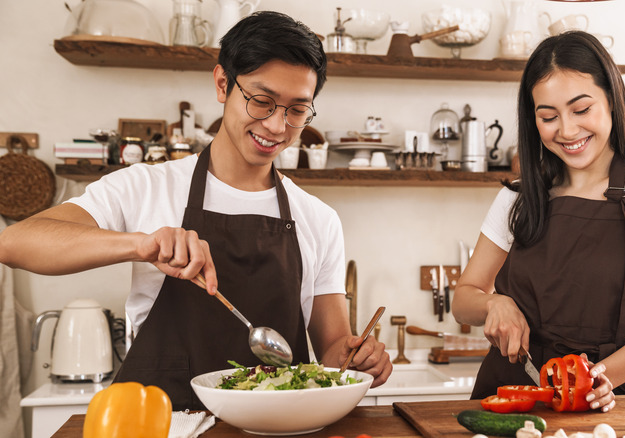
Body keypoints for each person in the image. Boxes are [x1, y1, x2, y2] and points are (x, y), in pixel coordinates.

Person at [0, 11, 391, 410]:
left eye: (296, 111)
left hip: (282, 428)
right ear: (223, 83)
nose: (277, 126)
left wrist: (356, 358)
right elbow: (14, 243)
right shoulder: (146, 186)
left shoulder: (318, 218)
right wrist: (141, 245)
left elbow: (332, 352)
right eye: (262, 101)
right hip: (163, 424)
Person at [452, 31, 625, 412]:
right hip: (508, 395)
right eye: (548, 117)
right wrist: (494, 304)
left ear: (612, 101)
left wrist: (601, 376)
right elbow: (463, 299)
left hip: (605, 397)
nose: (567, 131)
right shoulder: (518, 196)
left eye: (581, 109)